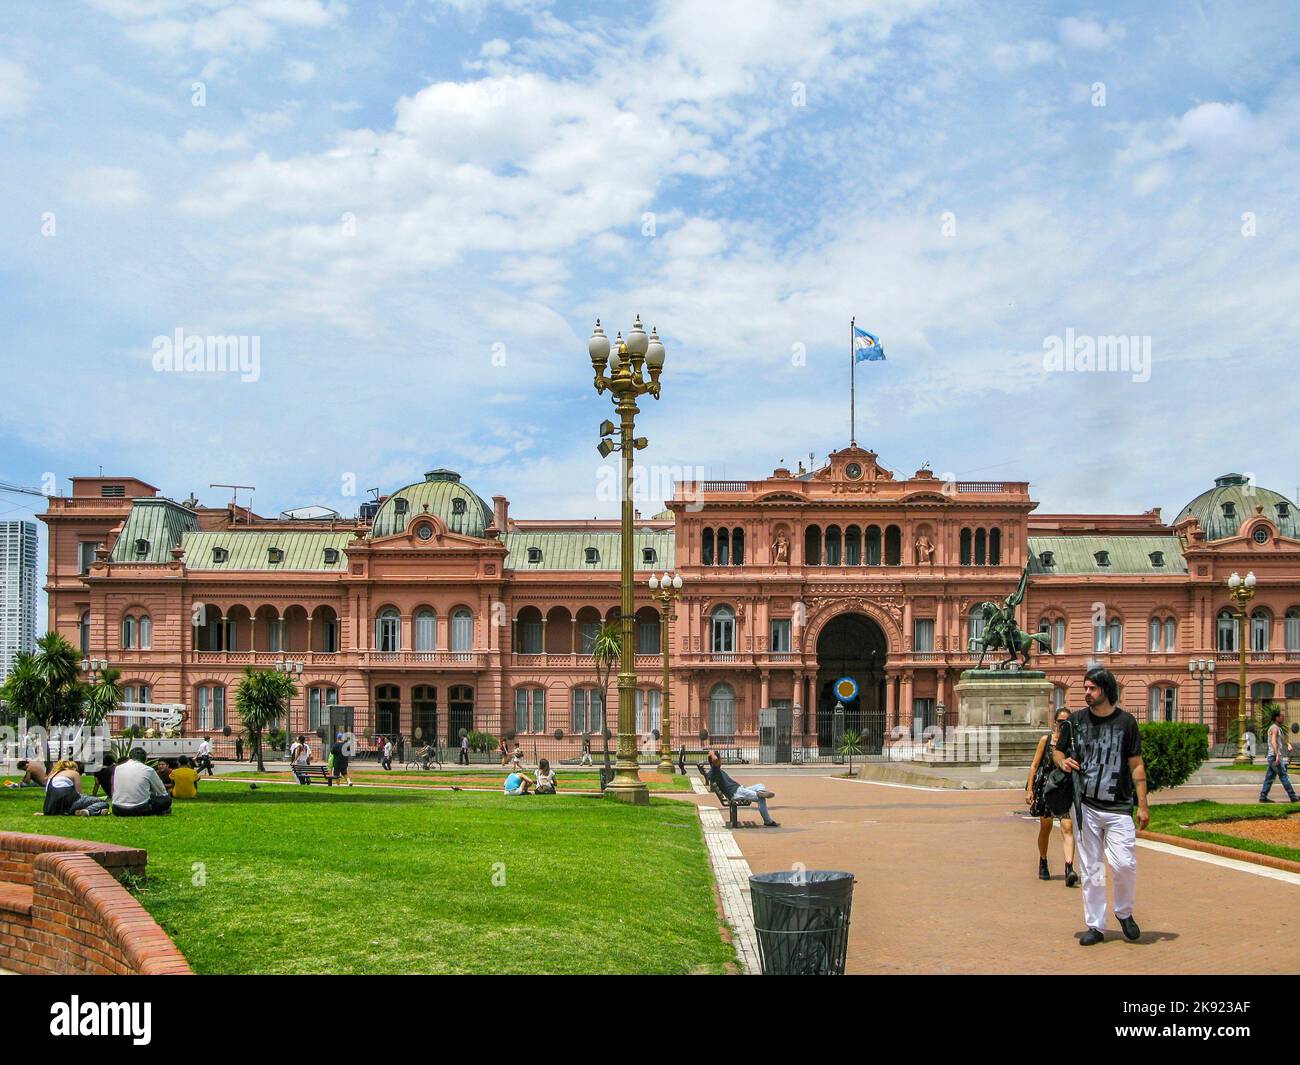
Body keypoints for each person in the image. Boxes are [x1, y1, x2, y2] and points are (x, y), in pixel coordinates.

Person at [1053, 666, 1148, 946]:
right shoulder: (1076, 721)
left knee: (1124, 864)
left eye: (1091, 688)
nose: (1086, 693)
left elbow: (1137, 765)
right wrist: (1062, 761)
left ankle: (1124, 912)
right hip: (1086, 807)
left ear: (1105, 689)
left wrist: (1143, 805)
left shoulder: (1126, 723)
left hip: (1119, 806)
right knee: (1092, 869)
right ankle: (1095, 925)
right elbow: (1057, 750)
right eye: (1085, 688)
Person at [1026, 709, 1077, 887]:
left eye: (1067, 722)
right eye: (1060, 721)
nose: (1063, 725)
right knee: (1046, 827)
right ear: (1054, 722)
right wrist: (1029, 789)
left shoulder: (1072, 742)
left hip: (1063, 789)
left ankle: (1069, 867)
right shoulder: (1046, 740)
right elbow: (1034, 765)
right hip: (1047, 789)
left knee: (1068, 826)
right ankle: (1043, 860)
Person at [705, 750, 779, 827]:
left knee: (760, 785)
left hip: (739, 790)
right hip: (735, 793)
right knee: (761, 798)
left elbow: (715, 761)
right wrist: (712, 753)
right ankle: (768, 820)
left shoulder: (716, 770)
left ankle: (760, 792)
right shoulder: (715, 771)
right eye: (720, 759)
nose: (721, 761)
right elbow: (715, 760)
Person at [111, 749, 172, 817]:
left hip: (117, 808)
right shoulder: (148, 770)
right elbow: (162, 792)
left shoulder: (118, 768)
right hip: (140, 809)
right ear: (145, 759)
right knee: (167, 799)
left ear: (129, 757)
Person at [42, 760, 109, 816]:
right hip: (69, 803)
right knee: (103, 803)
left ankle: (92, 811)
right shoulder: (73, 773)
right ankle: (88, 811)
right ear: (73, 768)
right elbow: (79, 793)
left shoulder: (51, 776)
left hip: (51, 808)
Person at [1259, 706, 1298, 803]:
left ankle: (1263, 797)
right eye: (1281, 716)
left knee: (1270, 777)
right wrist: (1277, 755)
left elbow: (1282, 738)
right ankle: (1293, 796)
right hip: (1274, 757)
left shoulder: (1278, 728)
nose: (1283, 717)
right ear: (1276, 718)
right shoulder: (1274, 728)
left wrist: (1288, 744)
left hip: (1273, 756)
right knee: (1283, 775)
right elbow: (1273, 741)